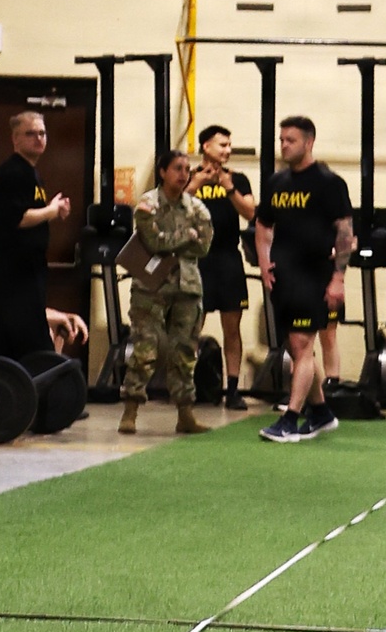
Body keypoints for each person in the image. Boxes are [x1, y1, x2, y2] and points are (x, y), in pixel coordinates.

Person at [255, 116, 353, 443]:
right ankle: (322, 412)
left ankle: (291, 418)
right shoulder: (275, 183)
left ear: (309, 142)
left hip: (315, 275)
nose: (284, 145)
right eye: (281, 139)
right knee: (295, 346)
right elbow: (263, 226)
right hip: (284, 275)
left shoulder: (329, 183)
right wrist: (264, 261)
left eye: (291, 140)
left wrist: (338, 278)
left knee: (302, 344)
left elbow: (344, 233)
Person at [118, 150, 214, 436]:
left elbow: (203, 247)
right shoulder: (147, 205)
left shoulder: (198, 208)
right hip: (152, 287)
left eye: (187, 169)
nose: (184, 174)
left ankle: (185, 413)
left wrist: (172, 241)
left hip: (187, 287)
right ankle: (131, 409)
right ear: (162, 172)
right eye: (177, 168)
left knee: (184, 351)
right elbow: (152, 241)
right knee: (145, 349)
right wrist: (186, 236)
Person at [0, 112, 71, 361]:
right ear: (15, 139)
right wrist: (52, 211)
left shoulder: (32, 174)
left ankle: (31, 383)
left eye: (42, 133)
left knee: (26, 333)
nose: (38, 138)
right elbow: (18, 218)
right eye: (31, 133)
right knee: (30, 338)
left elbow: (32, 213)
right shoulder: (13, 172)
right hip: (14, 270)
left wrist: (52, 210)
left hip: (29, 269)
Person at [185, 124, 256, 409]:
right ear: (205, 147)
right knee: (191, 328)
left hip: (228, 259)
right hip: (197, 261)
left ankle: (234, 389)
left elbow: (251, 212)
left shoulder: (238, 179)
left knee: (232, 329)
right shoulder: (189, 177)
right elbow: (172, 206)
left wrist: (228, 188)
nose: (227, 150)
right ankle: (186, 389)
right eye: (222, 145)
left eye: (229, 145)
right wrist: (196, 184)